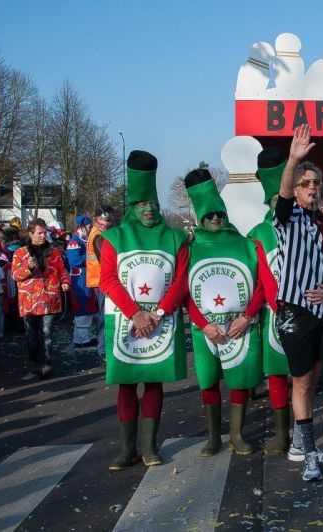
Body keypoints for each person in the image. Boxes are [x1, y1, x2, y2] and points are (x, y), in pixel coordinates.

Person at [98, 150, 189, 471]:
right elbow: (107, 279)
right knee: (127, 383)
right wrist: (135, 313)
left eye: (152, 203)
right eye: (142, 204)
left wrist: (158, 313)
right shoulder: (114, 237)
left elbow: (181, 281)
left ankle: (149, 447)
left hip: (161, 321)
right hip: (125, 321)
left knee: (153, 382)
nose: (149, 209)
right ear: (133, 207)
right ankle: (127, 449)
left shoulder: (176, 237)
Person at [274, 124, 323, 481]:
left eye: (315, 183)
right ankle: (308, 455)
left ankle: (298, 444)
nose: (311, 188)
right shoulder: (288, 218)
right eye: (305, 184)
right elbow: (283, 196)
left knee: (313, 380)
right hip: (295, 311)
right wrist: (293, 160)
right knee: (302, 381)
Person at [183, 168, 265, 457]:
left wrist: (247, 316)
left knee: (239, 378)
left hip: (241, 325)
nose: (215, 219)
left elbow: (262, 285)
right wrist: (203, 324)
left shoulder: (247, 245)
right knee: (209, 380)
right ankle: (213, 436)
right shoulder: (190, 249)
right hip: (205, 328)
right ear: (200, 218)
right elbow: (184, 292)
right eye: (209, 215)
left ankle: (237, 435)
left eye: (219, 213)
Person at [247, 147, 293, 455]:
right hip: (273, 314)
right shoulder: (258, 234)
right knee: (277, 373)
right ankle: (281, 433)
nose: (281, 204)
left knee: (303, 376)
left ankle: (303, 429)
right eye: (276, 200)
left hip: (306, 310)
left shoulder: (308, 225)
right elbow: (257, 280)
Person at [11, 218, 70, 378]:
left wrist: (65, 281)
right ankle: (35, 362)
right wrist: (28, 268)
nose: (43, 236)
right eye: (39, 233)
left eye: (44, 233)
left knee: (47, 334)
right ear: (30, 234)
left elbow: (62, 270)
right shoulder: (20, 253)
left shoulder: (54, 251)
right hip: (29, 301)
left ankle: (46, 364)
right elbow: (15, 275)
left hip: (49, 298)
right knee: (32, 337)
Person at [86, 205, 115, 364]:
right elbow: (105, 259)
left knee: (105, 315)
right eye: (109, 218)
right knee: (105, 316)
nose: (110, 222)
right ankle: (103, 351)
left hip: (99, 280)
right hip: (102, 280)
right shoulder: (99, 235)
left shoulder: (97, 232)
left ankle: (104, 349)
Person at [67, 215, 98, 348]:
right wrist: (91, 255)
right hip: (79, 280)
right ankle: (84, 340)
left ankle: (79, 339)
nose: (90, 229)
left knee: (87, 306)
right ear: (82, 226)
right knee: (82, 306)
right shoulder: (74, 241)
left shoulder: (83, 240)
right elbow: (74, 261)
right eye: (89, 227)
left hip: (86, 278)